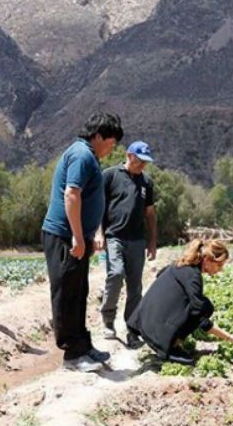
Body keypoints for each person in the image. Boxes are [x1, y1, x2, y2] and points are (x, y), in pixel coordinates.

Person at [42, 112, 123, 373]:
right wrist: (77, 236)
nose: (111, 149)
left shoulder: (88, 156)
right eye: (110, 142)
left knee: (79, 292)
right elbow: (72, 195)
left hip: (77, 236)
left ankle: (83, 345)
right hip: (65, 236)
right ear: (98, 136)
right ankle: (72, 356)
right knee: (66, 293)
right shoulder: (82, 155)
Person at [127, 239, 233, 365]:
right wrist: (231, 338)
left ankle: (169, 339)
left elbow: (160, 275)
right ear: (207, 260)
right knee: (204, 308)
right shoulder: (193, 276)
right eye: (219, 265)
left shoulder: (180, 264)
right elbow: (200, 317)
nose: (220, 270)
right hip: (153, 331)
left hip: (141, 320)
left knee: (201, 304)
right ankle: (167, 347)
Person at [96, 141, 157, 349]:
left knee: (135, 287)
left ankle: (132, 331)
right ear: (129, 156)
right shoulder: (110, 175)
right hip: (114, 237)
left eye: (145, 163)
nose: (143, 166)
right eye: (140, 161)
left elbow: (150, 214)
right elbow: (99, 207)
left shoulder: (146, 183)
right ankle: (108, 319)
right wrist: (99, 233)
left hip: (137, 240)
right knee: (116, 273)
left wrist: (153, 242)